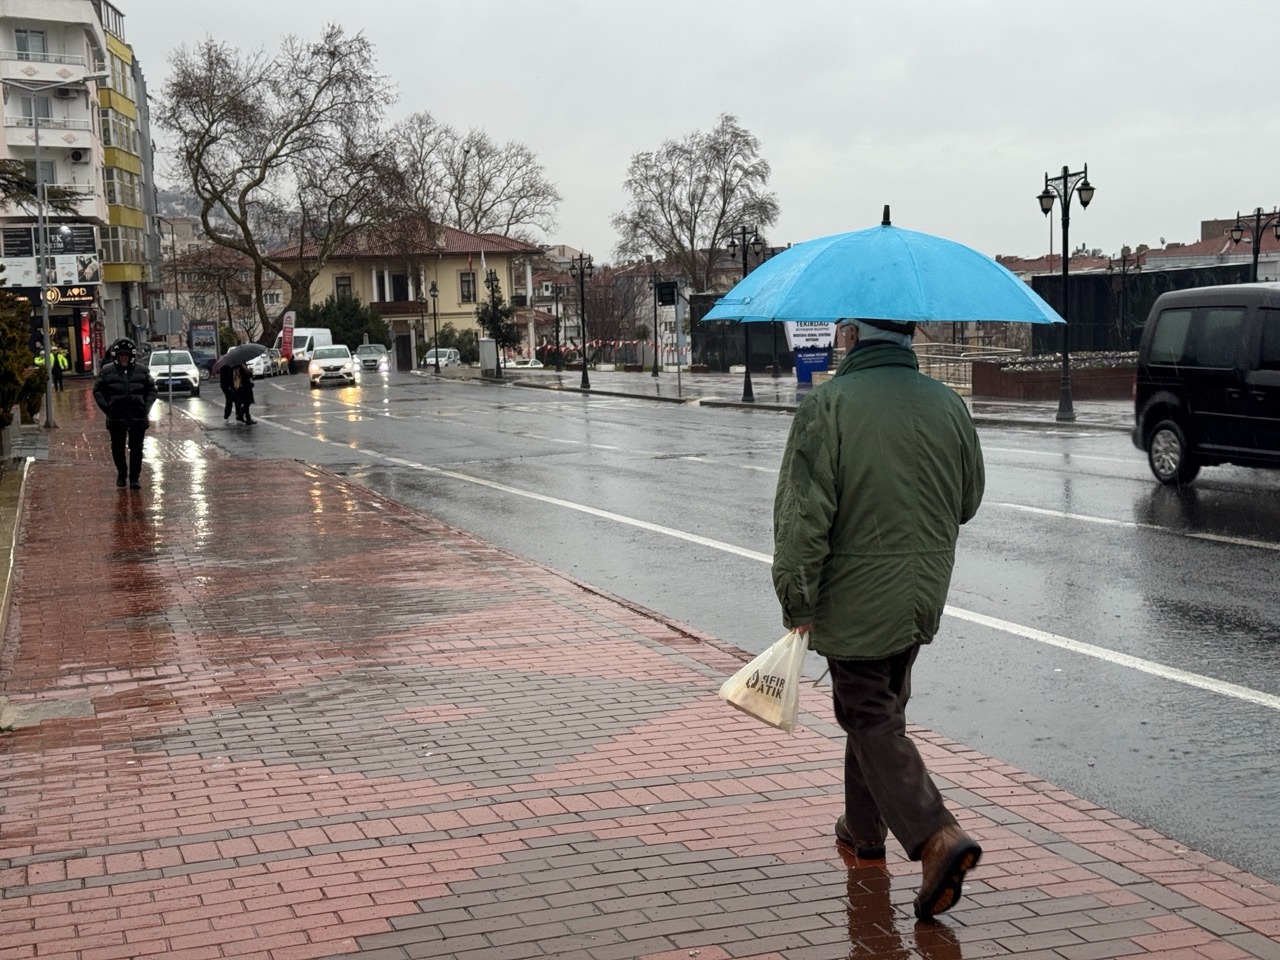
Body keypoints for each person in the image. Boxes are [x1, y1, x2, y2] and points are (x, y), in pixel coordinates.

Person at [771, 317, 986, 921]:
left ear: (853, 334)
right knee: (875, 711)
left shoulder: (830, 405)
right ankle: (863, 830)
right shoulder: (949, 404)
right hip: (922, 590)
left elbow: (802, 517)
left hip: (856, 593)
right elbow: (967, 501)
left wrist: (797, 598)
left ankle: (935, 834)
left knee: (866, 712)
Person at [92, 338, 157, 489]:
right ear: (116, 356)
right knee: (117, 447)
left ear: (131, 356)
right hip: (116, 417)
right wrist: (108, 408)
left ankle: (135, 478)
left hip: (137, 416)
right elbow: (98, 390)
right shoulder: (107, 371)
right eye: (120, 355)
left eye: (126, 356)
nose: (123, 358)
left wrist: (145, 407)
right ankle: (122, 474)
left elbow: (152, 390)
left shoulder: (142, 370)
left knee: (137, 448)